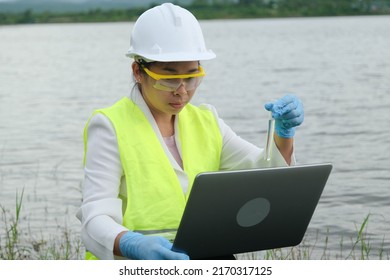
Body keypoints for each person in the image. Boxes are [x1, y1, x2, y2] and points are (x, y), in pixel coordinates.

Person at [76, 3, 304, 260]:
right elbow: (94, 219)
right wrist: (130, 244)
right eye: (169, 78)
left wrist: (283, 135)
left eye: (192, 76)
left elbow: (265, 173)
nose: (182, 91)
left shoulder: (206, 120)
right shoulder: (109, 125)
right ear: (138, 71)